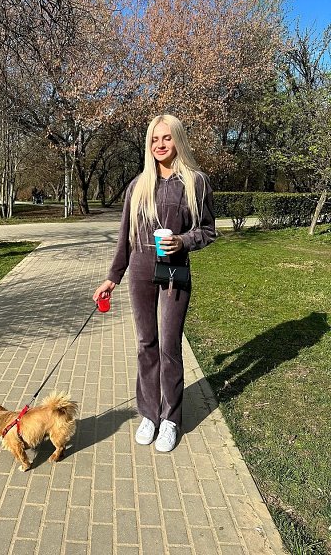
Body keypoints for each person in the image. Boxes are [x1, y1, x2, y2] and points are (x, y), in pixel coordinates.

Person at [93, 114, 216, 452]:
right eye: (154, 139)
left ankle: (171, 418)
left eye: (167, 138)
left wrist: (184, 241)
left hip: (175, 274)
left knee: (169, 346)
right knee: (146, 343)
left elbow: (208, 230)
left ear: (178, 140)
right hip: (140, 270)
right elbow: (125, 238)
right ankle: (149, 413)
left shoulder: (196, 182)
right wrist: (112, 277)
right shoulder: (138, 185)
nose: (160, 145)